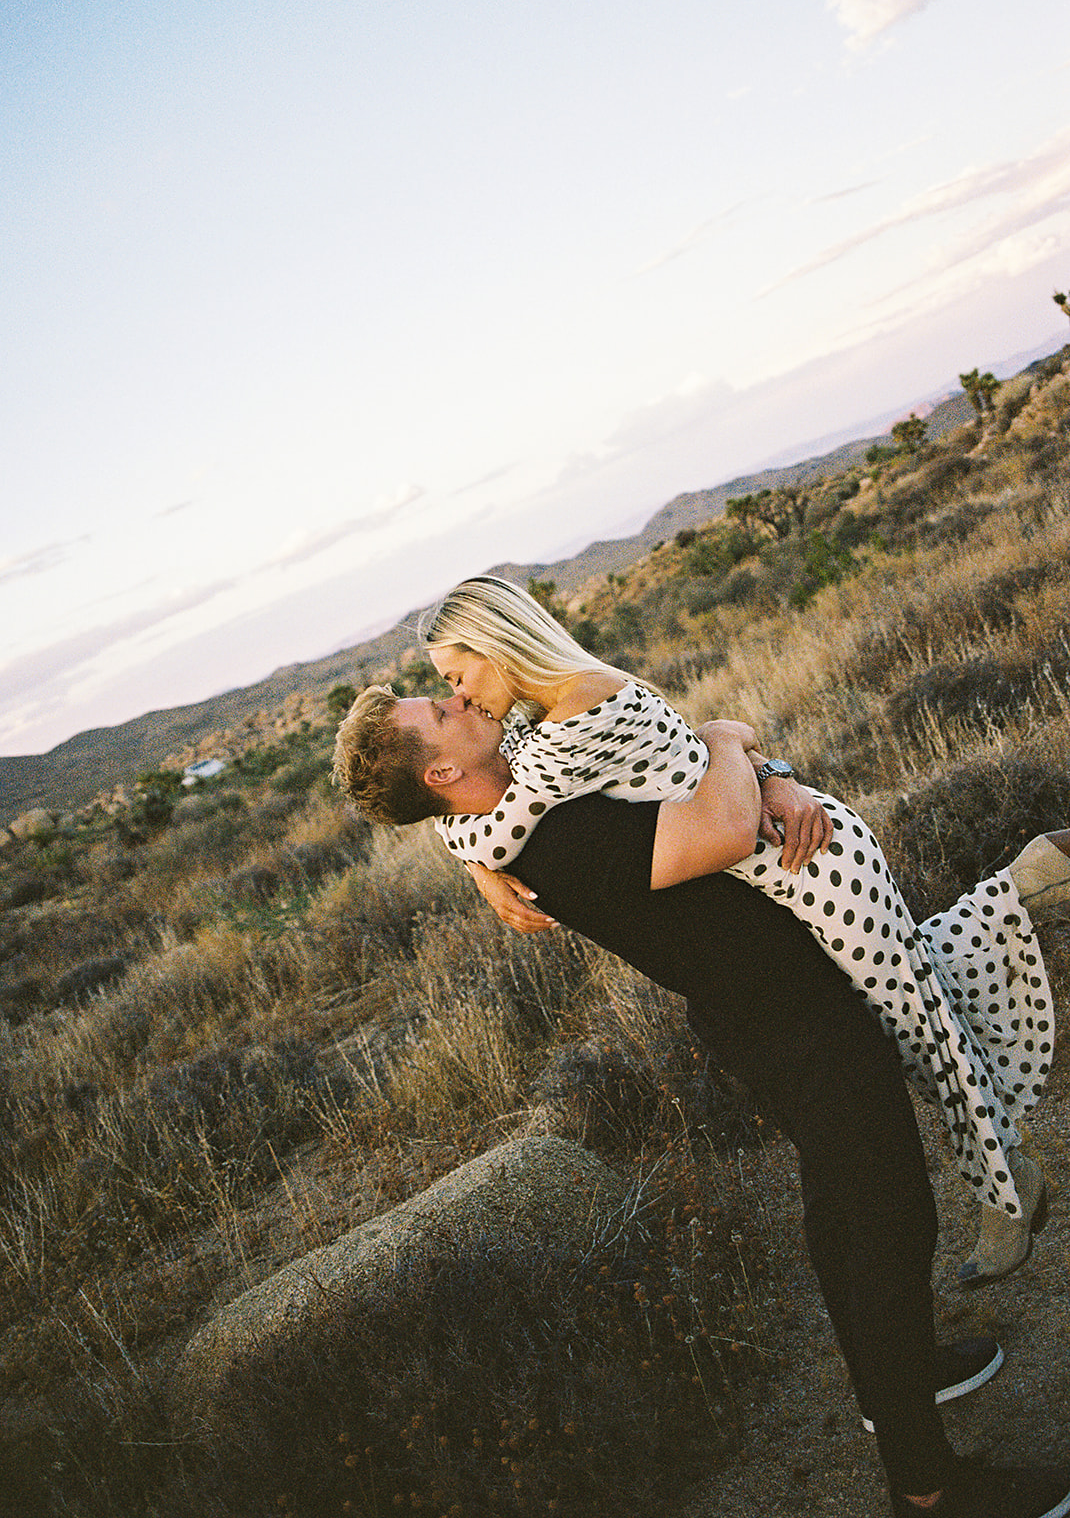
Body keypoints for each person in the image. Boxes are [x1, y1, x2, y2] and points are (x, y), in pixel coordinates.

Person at [332, 685, 1070, 1518]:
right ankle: (929, 1489)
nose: (458, 694)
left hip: (772, 1006)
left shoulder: (516, 800)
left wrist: (774, 774)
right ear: (440, 768)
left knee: (840, 1204)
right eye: (438, 708)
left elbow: (612, 772)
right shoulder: (558, 844)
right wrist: (724, 734)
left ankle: (885, 1384)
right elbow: (717, 822)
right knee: (891, 1223)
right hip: (791, 1021)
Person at [416, 575, 1062, 1288]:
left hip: (806, 859)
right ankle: (1026, 885)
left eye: (458, 674)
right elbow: (694, 749)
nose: (461, 697)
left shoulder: (567, 727)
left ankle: (1009, 1192)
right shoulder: (569, 697)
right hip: (794, 852)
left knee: (918, 1023)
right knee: (912, 990)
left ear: (500, 643)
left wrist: (474, 864)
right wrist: (756, 759)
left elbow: (498, 827)